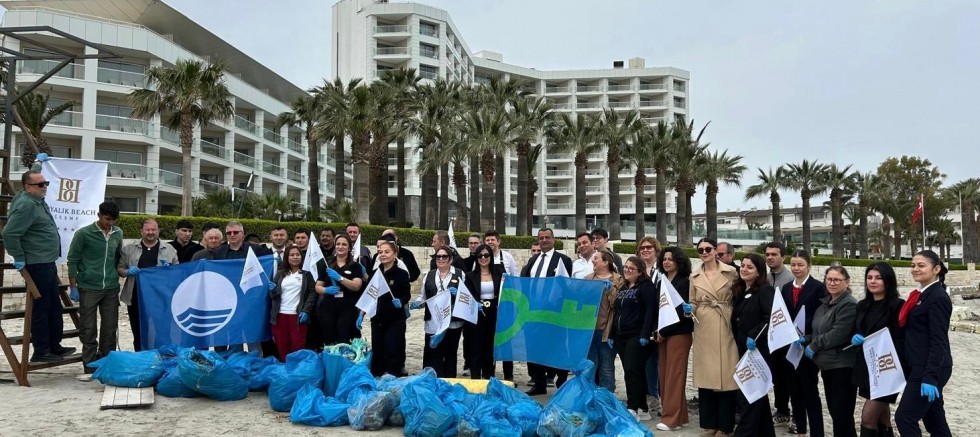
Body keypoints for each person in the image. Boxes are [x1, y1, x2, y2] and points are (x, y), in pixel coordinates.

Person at [2, 161, 75, 362]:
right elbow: (9, 233)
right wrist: (18, 257)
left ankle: (54, 346)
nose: (45, 187)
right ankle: (41, 351)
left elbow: (33, 173)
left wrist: (38, 163)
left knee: (54, 306)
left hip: (46, 261)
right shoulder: (26, 205)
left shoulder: (33, 198)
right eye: (40, 185)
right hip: (36, 262)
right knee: (42, 307)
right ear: (27, 187)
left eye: (46, 183)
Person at [894, 250, 952, 437]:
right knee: (934, 420)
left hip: (928, 367)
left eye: (921, 265)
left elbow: (938, 340)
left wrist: (930, 377)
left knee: (904, 417)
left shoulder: (938, 297)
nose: (915, 269)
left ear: (936, 269)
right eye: (913, 265)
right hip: (918, 364)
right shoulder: (919, 295)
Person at [689, 237, 739, 437]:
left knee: (726, 376)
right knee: (706, 376)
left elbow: (739, 296)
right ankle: (709, 424)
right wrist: (688, 309)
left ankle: (725, 427)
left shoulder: (732, 272)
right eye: (700, 249)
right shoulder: (694, 276)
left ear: (715, 250)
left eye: (707, 248)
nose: (704, 252)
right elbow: (692, 301)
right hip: (703, 326)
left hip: (725, 322)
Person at [67, 201, 123, 378]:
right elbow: (73, 260)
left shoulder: (118, 233)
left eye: (113, 220)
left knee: (110, 328)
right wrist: (73, 286)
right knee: (88, 328)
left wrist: (118, 274)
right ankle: (90, 366)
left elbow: (117, 258)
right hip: (88, 288)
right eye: (107, 219)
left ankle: (107, 364)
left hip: (111, 288)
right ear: (99, 215)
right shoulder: (83, 234)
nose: (110, 223)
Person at [801, 266, 857, 437]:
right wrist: (807, 339)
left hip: (842, 365)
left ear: (847, 282)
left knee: (842, 414)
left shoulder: (848, 304)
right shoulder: (825, 304)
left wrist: (814, 345)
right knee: (835, 412)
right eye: (829, 280)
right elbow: (819, 330)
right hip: (828, 366)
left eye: (837, 280)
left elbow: (838, 333)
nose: (832, 283)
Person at [851, 262, 905, 437]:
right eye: (869, 277)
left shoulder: (897, 305)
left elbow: (900, 339)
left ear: (888, 281)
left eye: (878, 278)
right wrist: (856, 337)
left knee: (867, 418)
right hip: (867, 369)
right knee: (882, 418)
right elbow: (857, 330)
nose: (873, 281)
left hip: (887, 369)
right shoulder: (862, 305)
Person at [521, 227, 574, 396]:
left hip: (554, 314)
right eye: (541, 238)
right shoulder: (533, 260)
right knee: (534, 347)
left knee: (557, 347)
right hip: (533, 312)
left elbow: (567, 286)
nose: (544, 240)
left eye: (547, 237)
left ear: (553, 239)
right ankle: (539, 383)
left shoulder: (563, 260)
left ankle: (562, 381)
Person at [781, 250, 827, 437]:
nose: (796, 268)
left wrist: (808, 337)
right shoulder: (785, 288)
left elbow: (821, 315)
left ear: (809, 266)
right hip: (789, 347)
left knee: (810, 393)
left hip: (808, 346)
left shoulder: (818, 287)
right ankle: (800, 430)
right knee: (794, 392)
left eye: (800, 265)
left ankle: (817, 432)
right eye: (793, 265)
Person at [730, 253, 777, 437]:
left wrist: (753, 335)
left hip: (758, 351)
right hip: (742, 349)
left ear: (759, 272)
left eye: (750, 267)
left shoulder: (765, 291)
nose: (744, 269)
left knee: (749, 395)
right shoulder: (741, 291)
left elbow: (770, 317)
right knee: (757, 396)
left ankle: (744, 433)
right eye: (742, 265)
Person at [608, 256, 658, 421]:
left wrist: (645, 334)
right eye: (626, 267)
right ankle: (643, 408)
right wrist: (612, 335)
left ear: (640, 271)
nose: (627, 270)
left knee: (632, 372)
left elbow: (651, 310)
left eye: (632, 268)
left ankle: (632, 407)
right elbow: (617, 312)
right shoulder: (623, 287)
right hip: (621, 336)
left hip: (637, 336)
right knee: (635, 372)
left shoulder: (646, 287)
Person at [118, 219, 178, 351]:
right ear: (141, 231)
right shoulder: (129, 249)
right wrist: (127, 272)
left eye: (153, 230)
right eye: (147, 230)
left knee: (162, 330)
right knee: (138, 330)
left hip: (161, 298)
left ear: (158, 231)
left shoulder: (169, 250)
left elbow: (176, 273)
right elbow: (120, 269)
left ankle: (162, 357)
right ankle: (141, 358)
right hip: (136, 297)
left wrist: (169, 272)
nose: (150, 233)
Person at [654, 246, 694, 432]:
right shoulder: (662, 281)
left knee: (674, 377)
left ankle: (671, 419)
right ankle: (681, 416)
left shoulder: (684, 282)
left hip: (679, 332)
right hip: (663, 333)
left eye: (671, 259)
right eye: (664, 259)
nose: (666, 262)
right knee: (664, 375)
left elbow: (679, 312)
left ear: (679, 261)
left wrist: (664, 331)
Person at [413, 246, 466, 377]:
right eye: (438, 256)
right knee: (433, 353)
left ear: (451, 259)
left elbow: (466, 297)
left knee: (450, 354)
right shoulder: (429, 275)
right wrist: (416, 303)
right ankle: (432, 382)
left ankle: (448, 382)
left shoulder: (460, 274)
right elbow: (423, 296)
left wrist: (458, 294)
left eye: (444, 256)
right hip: (433, 322)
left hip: (453, 323)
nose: (441, 259)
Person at [362, 241, 412, 377]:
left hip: (395, 320)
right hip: (377, 319)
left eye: (386, 252)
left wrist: (401, 301)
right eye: (380, 252)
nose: (383, 254)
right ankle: (377, 378)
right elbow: (369, 294)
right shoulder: (374, 273)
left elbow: (407, 294)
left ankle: (392, 379)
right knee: (378, 351)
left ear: (394, 254)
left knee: (392, 350)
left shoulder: (401, 274)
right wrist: (362, 313)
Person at [464, 243, 508, 380]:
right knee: (476, 348)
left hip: (494, 315)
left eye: (486, 255)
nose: (483, 258)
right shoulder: (470, 276)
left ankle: (489, 377)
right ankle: (475, 378)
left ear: (491, 256)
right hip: (476, 315)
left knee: (490, 348)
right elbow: (467, 295)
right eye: (480, 256)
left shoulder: (499, 273)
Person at [315, 233, 365, 346]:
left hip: (347, 307)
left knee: (344, 338)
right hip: (328, 307)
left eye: (344, 244)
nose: (340, 247)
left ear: (349, 248)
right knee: (329, 339)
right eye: (338, 244)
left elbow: (356, 286)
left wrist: (340, 278)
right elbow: (318, 286)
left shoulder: (355, 266)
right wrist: (326, 290)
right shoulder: (327, 264)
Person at [764, 241, 795, 427]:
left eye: (774, 254)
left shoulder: (790, 279)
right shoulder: (766, 278)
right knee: (776, 376)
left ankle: (795, 413)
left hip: (787, 336)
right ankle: (782, 409)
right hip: (771, 336)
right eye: (767, 254)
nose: (770, 257)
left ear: (783, 257)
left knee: (789, 376)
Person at [270, 245, 316, 361]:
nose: (295, 257)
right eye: (292, 255)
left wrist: (306, 310)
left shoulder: (306, 275)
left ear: (301, 257)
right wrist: (273, 290)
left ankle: (296, 373)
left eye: (297, 255)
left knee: (297, 347)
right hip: (279, 316)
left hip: (297, 316)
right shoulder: (280, 274)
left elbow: (312, 294)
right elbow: (273, 296)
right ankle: (285, 373)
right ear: (287, 257)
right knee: (282, 347)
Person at [584, 250, 622, 392]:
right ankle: (589, 399)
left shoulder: (618, 280)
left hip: (607, 332)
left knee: (606, 368)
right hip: (589, 332)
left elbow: (618, 305)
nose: (593, 261)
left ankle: (607, 400)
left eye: (596, 258)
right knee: (589, 368)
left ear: (606, 262)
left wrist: (610, 290)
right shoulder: (587, 279)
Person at [635, 235, 662, 415]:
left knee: (656, 363)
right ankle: (644, 396)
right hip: (638, 322)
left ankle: (656, 397)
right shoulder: (635, 270)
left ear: (656, 250)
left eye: (649, 247)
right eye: (642, 248)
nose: (645, 250)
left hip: (658, 322)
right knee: (641, 363)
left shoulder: (662, 271)